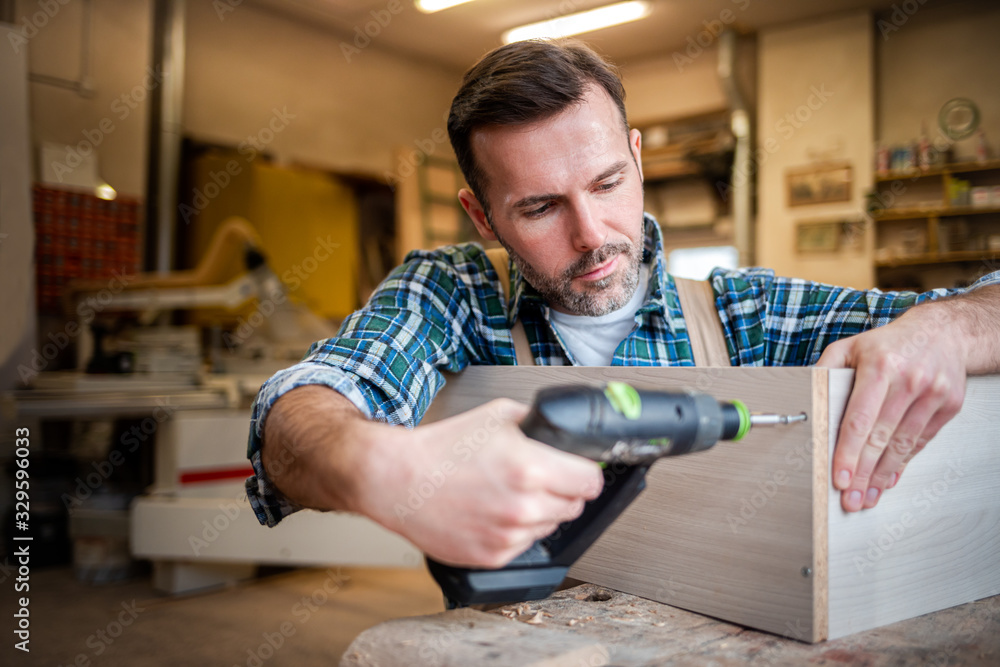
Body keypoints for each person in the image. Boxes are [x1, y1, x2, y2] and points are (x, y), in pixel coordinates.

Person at [246, 39, 1000, 569]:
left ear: (637, 160)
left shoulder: (749, 314)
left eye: (608, 184)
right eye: (540, 207)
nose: (593, 234)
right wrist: (384, 469)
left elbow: (982, 304)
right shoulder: (453, 294)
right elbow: (301, 409)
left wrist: (942, 328)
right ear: (484, 218)